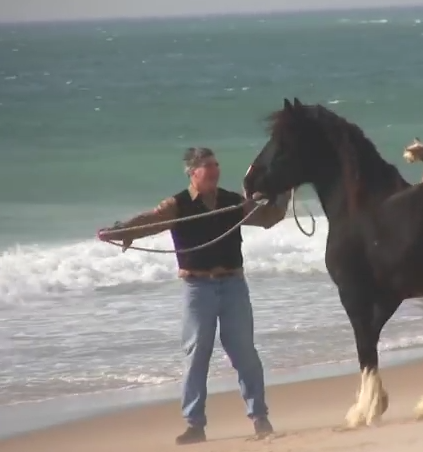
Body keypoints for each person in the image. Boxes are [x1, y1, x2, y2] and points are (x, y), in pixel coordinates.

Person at [96, 147, 288, 445]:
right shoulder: (178, 204)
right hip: (197, 289)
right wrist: (121, 230)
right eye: (208, 166)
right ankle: (195, 424)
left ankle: (259, 417)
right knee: (197, 355)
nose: (215, 170)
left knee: (245, 354)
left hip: (233, 285)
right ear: (193, 172)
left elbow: (268, 217)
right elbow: (151, 221)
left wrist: (285, 191)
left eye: (216, 165)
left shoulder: (231, 201)